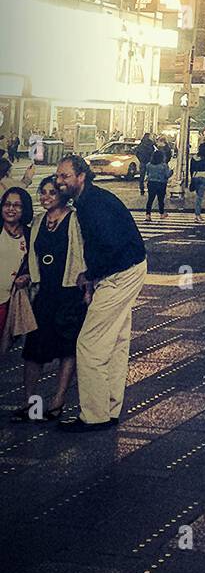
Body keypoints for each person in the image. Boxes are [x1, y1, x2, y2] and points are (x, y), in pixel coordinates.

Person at [53, 155, 147, 432]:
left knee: (89, 345)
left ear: (81, 176)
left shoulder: (92, 206)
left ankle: (93, 415)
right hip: (129, 268)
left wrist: (90, 276)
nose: (59, 182)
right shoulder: (92, 200)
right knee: (117, 342)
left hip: (119, 274)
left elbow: (110, 247)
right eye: (59, 176)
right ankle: (110, 407)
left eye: (65, 176)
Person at [10, 176, 87, 421]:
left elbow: (83, 253)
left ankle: (57, 401)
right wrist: (27, 276)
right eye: (43, 193)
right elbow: (29, 255)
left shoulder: (74, 219)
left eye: (51, 193)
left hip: (68, 291)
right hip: (43, 292)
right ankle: (30, 403)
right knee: (33, 349)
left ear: (62, 195)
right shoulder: (38, 221)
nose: (46, 197)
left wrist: (87, 287)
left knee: (67, 346)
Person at [0, 186, 33, 355]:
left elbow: (33, 266)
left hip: (5, 302)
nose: (11, 209)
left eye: (17, 205)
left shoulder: (29, 235)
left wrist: (26, 276)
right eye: (7, 204)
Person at [144, 148, 171, 220]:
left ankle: (148, 214)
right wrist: (171, 172)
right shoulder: (164, 165)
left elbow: (148, 174)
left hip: (151, 183)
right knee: (160, 199)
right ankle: (161, 213)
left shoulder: (149, 165)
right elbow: (167, 175)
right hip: (161, 183)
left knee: (150, 199)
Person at [189, 142, 205, 221]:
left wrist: (192, 178)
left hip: (195, 177)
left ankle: (197, 214)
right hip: (204, 177)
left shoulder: (193, 158)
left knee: (198, 196)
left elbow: (191, 169)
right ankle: (197, 214)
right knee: (199, 197)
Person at [134, 132, 154, 196]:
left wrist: (140, 159)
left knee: (141, 177)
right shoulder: (151, 144)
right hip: (149, 162)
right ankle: (150, 189)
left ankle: (141, 189)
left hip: (142, 162)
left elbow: (136, 152)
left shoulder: (141, 144)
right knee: (150, 177)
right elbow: (153, 153)